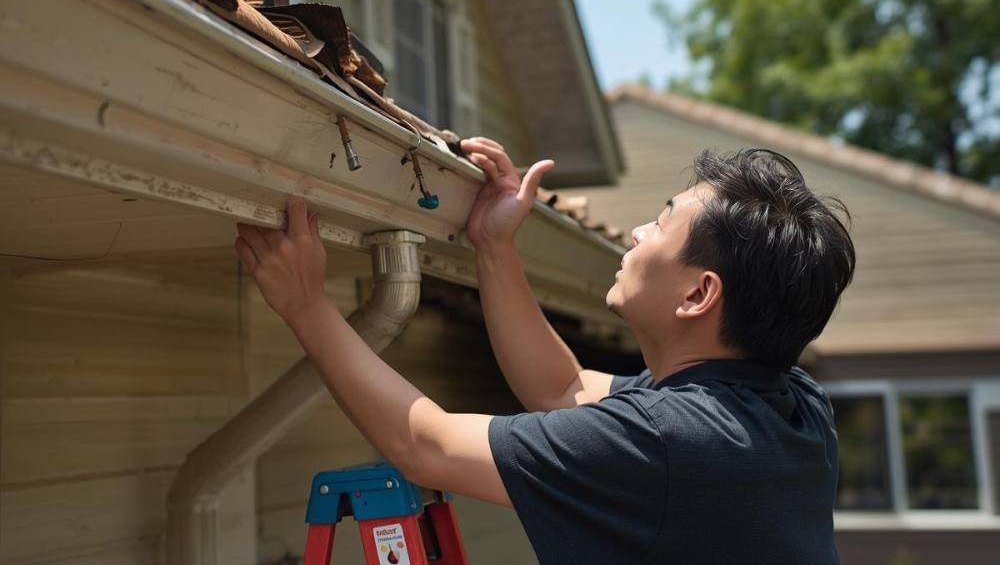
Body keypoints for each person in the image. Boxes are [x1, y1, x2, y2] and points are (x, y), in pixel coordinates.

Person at [234, 139, 856, 565]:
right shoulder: (793, 408)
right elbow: (562, 389)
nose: (639, 232)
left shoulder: (667, 443)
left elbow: (426, 446)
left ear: (698, 293)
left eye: (662, 224)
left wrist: (306, 305)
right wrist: (494, 245)